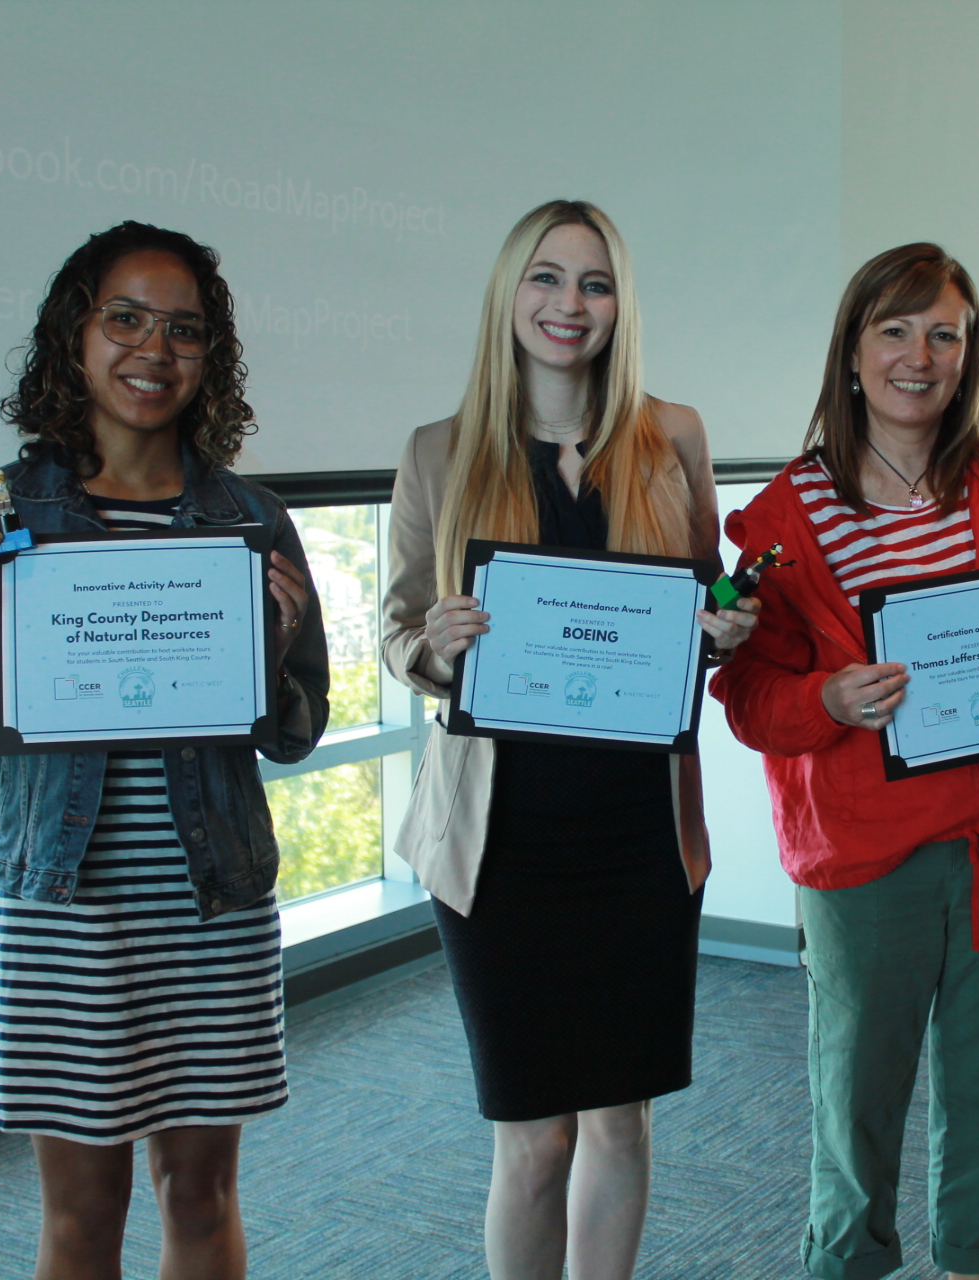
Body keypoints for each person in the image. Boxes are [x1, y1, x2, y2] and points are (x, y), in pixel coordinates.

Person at [710, 243, 979, 1280]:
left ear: (968, 350)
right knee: (856, 1102)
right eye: (895, 330)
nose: (921, 355)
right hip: (868, 855)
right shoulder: (786, 515)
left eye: (945, 332)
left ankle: (973, 1260)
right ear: (852, 351)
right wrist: (825, 697)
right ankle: (844, 1263)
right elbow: (747, 693)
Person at [0, 221, 329, 1280]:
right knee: (82, 1218)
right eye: (126, 319)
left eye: (185, 330)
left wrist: (269, 651)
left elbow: (294, 729)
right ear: (76, 336)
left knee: (201, 1194)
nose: (155, 350)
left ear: (212, 355)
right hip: (69, 909)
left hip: (211, 902)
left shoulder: (251, 518)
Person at [381, 198, 758, 1280]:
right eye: (546, 278)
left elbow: (708, 600)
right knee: (533, 1138)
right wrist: (441, 647)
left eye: (594, 283)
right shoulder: (441, 451)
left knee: (621, 1123)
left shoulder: (671, 435)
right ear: (510, 294)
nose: (569, 303)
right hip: (500, 847)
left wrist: (729, 626)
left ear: (619, 306)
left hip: (638, 835)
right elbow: (397, 632)